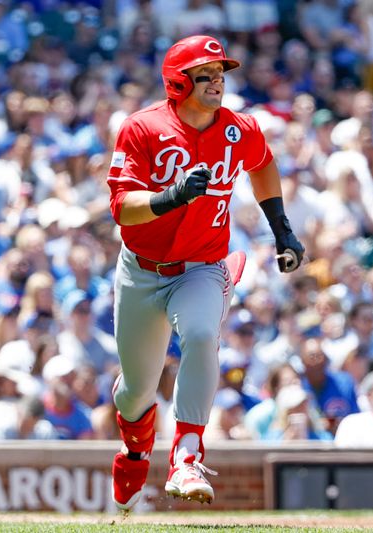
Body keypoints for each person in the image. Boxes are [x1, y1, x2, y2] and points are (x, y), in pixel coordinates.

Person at [106, 35, 305, 510]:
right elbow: (121, 209)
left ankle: (187, 453)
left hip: (203, 264)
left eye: (220, 72)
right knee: (136, 393)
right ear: (178, 82)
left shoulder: (239, 129)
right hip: (142, 270)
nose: (217, 81)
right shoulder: (142, 128)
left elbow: (263, 165)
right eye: (205, 73)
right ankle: (135, 448)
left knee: (199, 334)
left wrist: (282, 229)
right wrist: (172, 196)